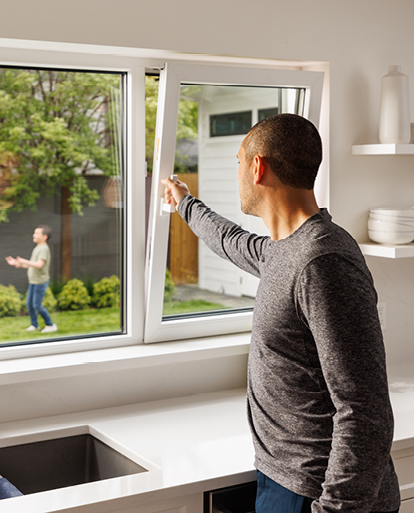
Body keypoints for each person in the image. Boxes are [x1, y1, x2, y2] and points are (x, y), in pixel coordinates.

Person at [162, 114, 400, 513]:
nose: (237, 171)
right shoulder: (287, 250)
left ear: (258, 167)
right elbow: (232, 241)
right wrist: (185, 203)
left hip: (316, 491)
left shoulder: (323, 261)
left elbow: (366, 410)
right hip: (287, 477)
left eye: (238, 161)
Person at [6, 225, 57, 333]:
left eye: (37, 233)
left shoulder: (43, 249)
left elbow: (39, 265)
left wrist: (24, 261)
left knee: (37, 305)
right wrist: (18, 263)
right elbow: (32, 265)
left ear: (45, 237)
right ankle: (34, 325)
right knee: (29, 304)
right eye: (34, 233)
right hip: (33, 281)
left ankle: (50, 325)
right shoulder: (38, 248)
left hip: (40, 282)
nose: (34, 235)